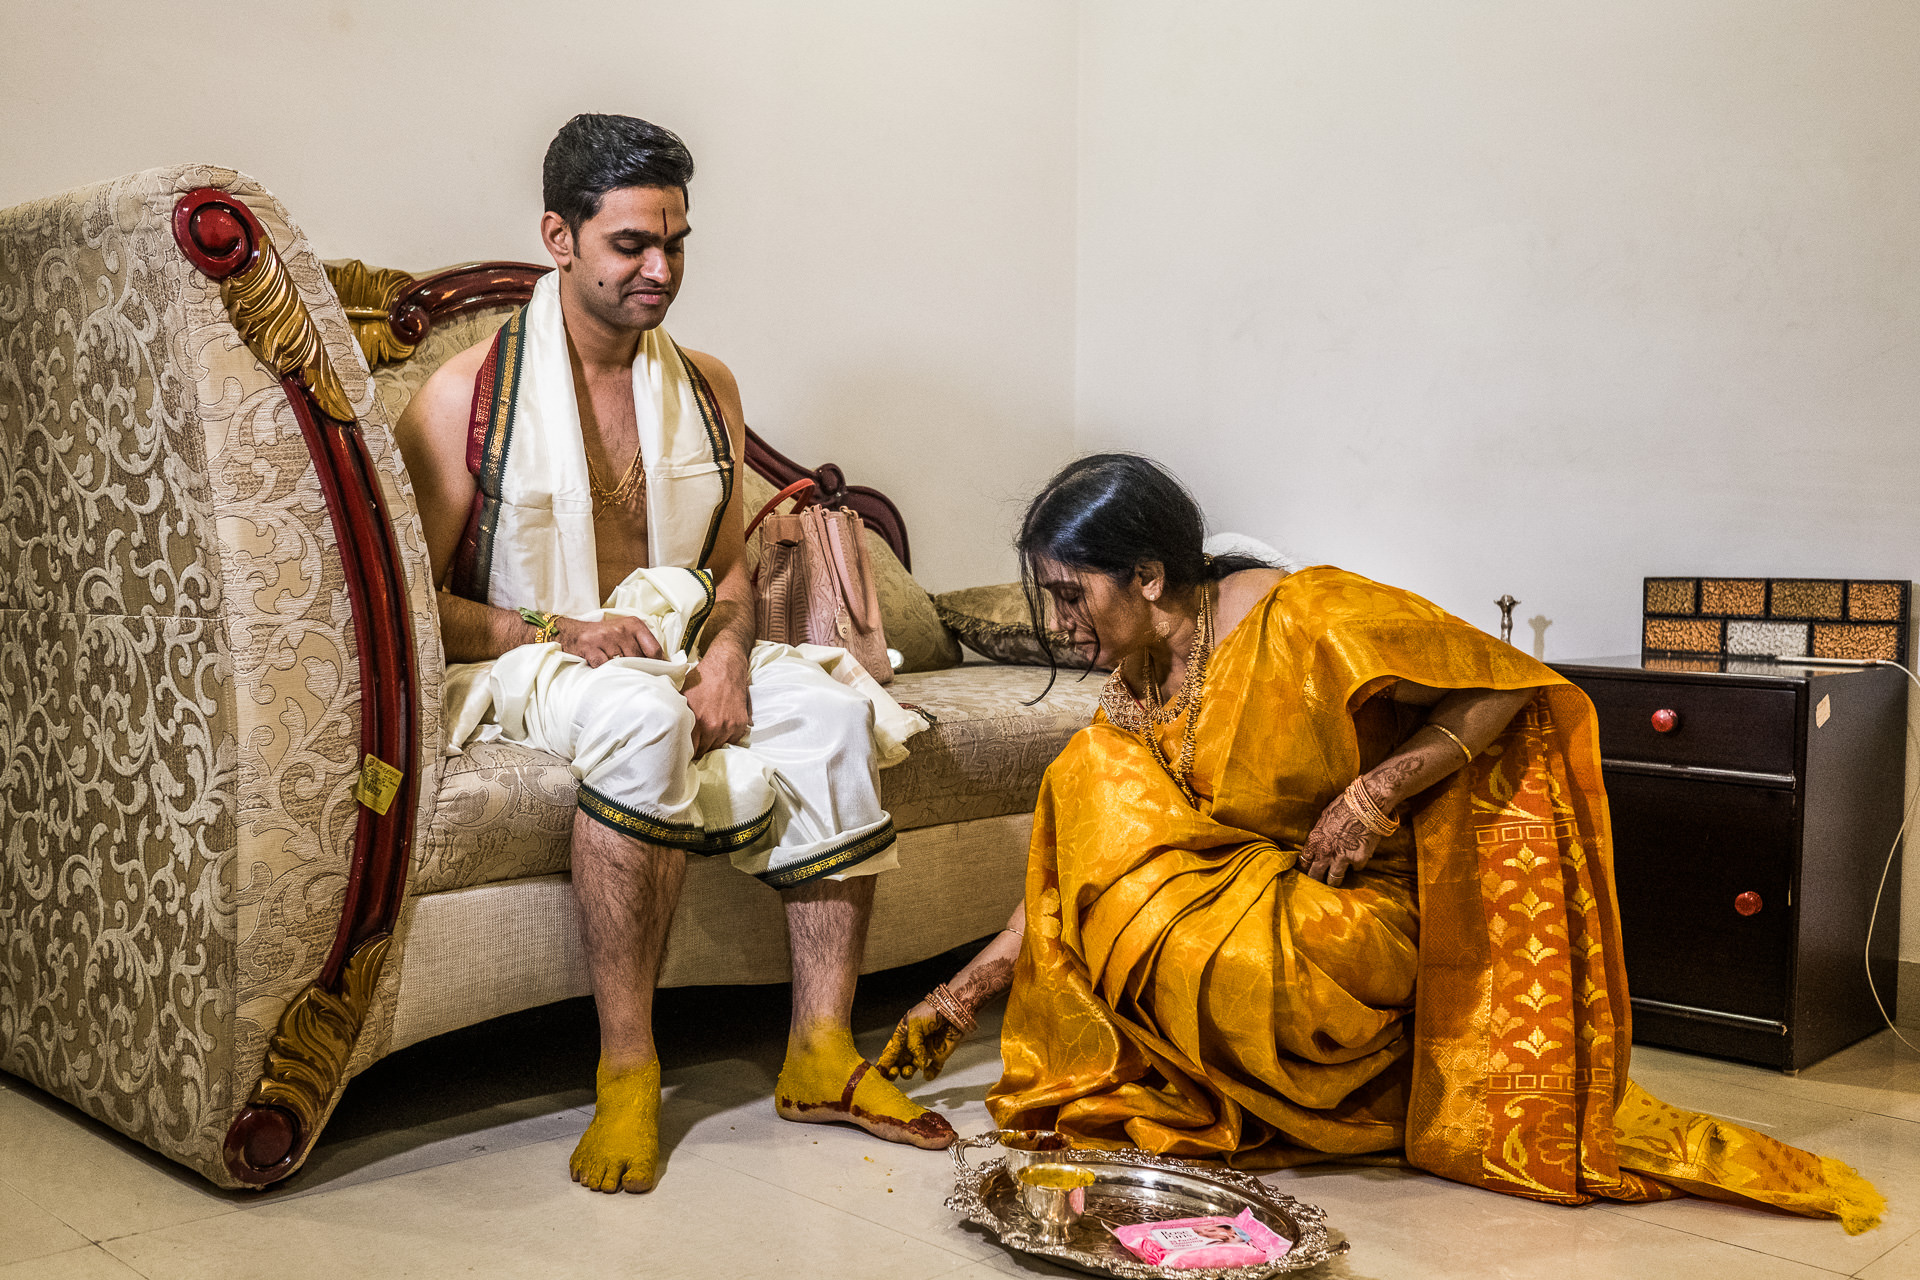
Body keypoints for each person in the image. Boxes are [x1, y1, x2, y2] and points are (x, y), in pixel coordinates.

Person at [879, 453, 1883, 1233]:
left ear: (1148, 576)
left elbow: (1504, 679)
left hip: (1360, 904)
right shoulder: (1133, 687)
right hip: (1244, 899)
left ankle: (1339, 1080)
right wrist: (964, 989)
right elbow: (1080, 868)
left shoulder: (1300, 611)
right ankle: (1212, 1072)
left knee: (1212, 942)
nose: (1057, 622)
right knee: (1087, 783)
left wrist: (1375, 789)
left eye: (1070, 594)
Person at [395, 113, 954, 1195]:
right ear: (559, 236)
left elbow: (733, 573)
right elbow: (421, 605)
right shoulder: (466, 398)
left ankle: (822, 1050)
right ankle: (628, 1068)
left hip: (683, 638)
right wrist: (558, 630)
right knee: (641, 718)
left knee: (835, 715)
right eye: (631, 245)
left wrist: (733, 654)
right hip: (530, 655)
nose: (661, 269)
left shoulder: (707, 386)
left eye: (678, 243)